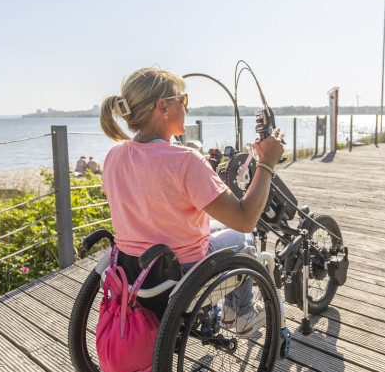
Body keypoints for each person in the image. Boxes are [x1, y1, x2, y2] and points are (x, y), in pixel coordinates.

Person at [100, 67, 284, 338]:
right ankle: (240, 314)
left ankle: (229, 313)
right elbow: (246, 218)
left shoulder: (114, 155)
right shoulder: (185, 160)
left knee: (216, 226)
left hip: (133, 270)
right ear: (162, 107)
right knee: (244, 235)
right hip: (180, 271)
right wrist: (267, 162)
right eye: (182, 100)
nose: (186, 108)